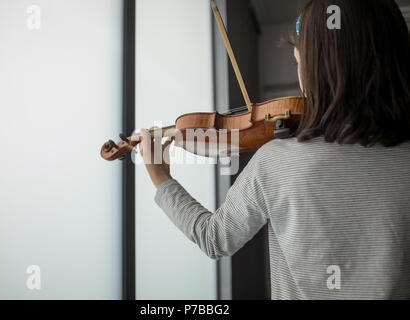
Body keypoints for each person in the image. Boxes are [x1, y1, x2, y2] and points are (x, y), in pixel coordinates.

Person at [140, 0, 410, 300]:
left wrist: (161, 179)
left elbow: (213, 238)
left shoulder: (277, 161)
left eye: (299, 63)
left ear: (319, 71)